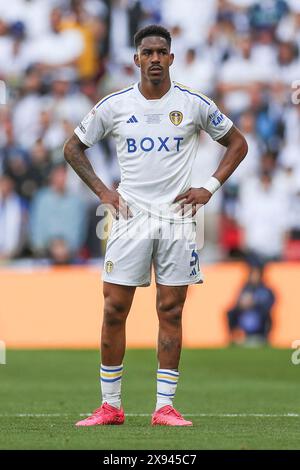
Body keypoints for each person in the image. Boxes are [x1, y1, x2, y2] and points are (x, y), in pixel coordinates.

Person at [64, 24, 248, 427]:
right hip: (129, 217)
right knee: (114, 308)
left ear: (171, 58)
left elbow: (238, 143)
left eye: (161, 52)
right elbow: (72, 147)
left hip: (177, 219)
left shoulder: (194, 104)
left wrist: (210, 187)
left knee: (170, 309)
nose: (154, 59)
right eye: (147, 53)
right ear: (136, 59)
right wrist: (102, 193)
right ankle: (110, 406)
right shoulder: (114, 106)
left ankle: (164, 406)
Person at [227, 264, 275, 345]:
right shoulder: (245, 288)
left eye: (256, 275)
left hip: (259, 312)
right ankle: (234, 337)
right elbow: (238, 301)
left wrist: (255, 302)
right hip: (245, 311)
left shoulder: (265, 289)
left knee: (266, 313)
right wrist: (242, 304)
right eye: (252, 274)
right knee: (231, 312)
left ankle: (264, 338)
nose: (254, 277)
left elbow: (270, 302)